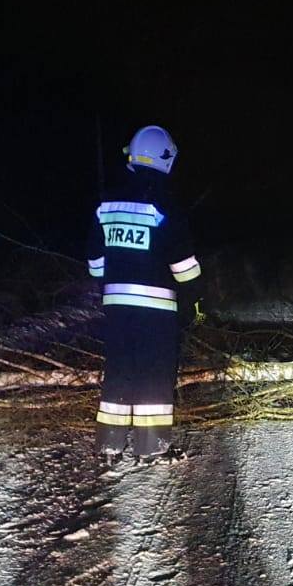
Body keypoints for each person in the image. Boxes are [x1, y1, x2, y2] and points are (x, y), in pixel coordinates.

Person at [85, 125, 205, 459]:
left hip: (116, 307)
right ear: (165, 159)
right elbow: (184, 266)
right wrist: (195, 299)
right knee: (153, 373)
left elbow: (95, 260)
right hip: (156, 310)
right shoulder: (164, 206)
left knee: (119, 368)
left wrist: (109, 287)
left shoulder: (106, 204)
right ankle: (151, 447)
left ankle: (109, 444)